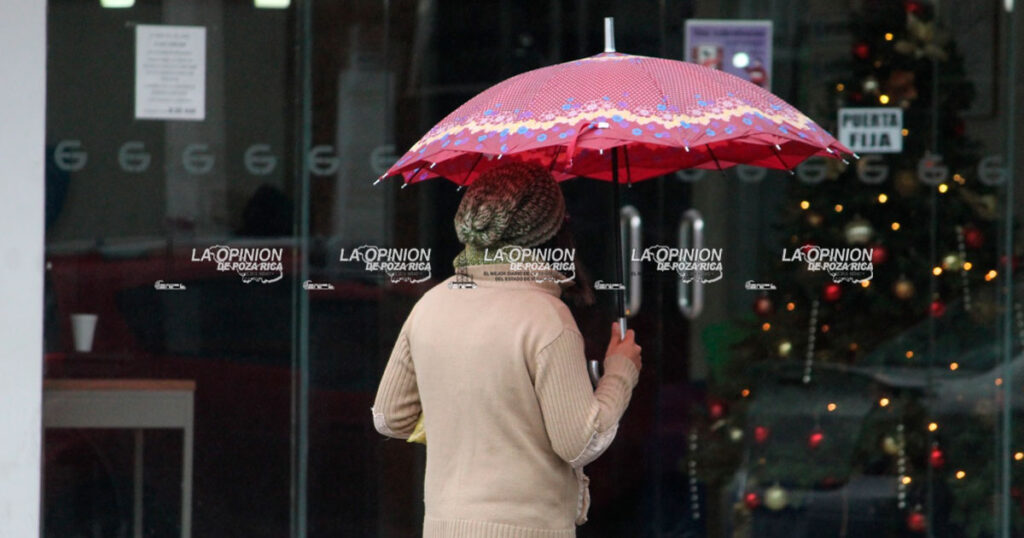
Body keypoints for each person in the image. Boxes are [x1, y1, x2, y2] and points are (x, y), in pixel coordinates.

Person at [371, 162, 642, 537]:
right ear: (549, 229)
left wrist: (471, 415)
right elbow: (581, 442)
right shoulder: (547, 317)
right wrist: (620, 372)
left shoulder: (430, 306)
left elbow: (389, 418)